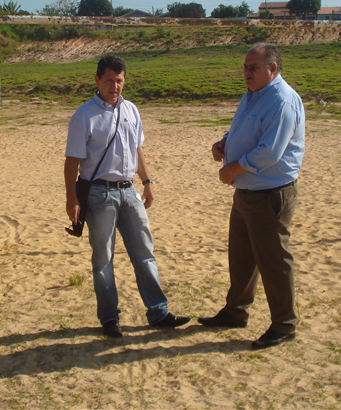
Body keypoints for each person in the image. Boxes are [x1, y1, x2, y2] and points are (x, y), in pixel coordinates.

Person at [64, 55, 190, 338]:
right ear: (96, 80)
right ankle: (110, 318)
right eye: (109, 80)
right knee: (103, 259)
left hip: (129, 190)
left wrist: (147, 182)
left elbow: (137, 149)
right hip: (98, 194)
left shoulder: (131, 110)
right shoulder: (83, 116)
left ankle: (158, 312)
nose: (115, 86)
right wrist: (71, 199)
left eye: (119, 80)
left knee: (145, 252)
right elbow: (72, 162)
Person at [199, 43, 305, 349]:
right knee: (242, 258)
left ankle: (284, 324)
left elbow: (270, 151)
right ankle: (236, 312)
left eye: (252, 67)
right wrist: (224, 142)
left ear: (272, 68)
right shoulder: (255, 94)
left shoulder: (282, 101)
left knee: (273, 261)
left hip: (269, 193)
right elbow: (247, 130)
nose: (246, 73)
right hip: (248, 191)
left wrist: (232, 168)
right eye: (244, 67)